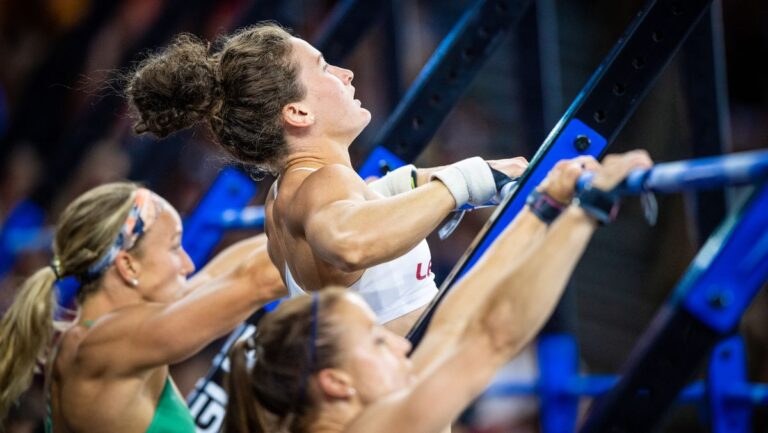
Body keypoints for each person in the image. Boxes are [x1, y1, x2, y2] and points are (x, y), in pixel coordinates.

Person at [125, 23, 529, 335]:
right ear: (298, 113)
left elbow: (356, 212)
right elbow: (348, 242)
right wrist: (468, 178)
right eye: (323, 67)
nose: (347, 73)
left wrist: (455, 179)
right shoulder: (324, 182)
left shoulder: (286, 196)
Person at [222, 150, 654, 433]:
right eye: (377, 341)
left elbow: (451, 325)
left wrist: (543, 208)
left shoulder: (380, 410)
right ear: (336, 383)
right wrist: (588, 210)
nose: (400, 348)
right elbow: (489, 338)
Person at [0, 182, 286, 432]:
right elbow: (259, 281)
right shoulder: (106, 347)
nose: (188, 263)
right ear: (127, 264)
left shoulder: (98, 335)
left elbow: (214, 277)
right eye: (175, 247)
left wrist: (286, 216)